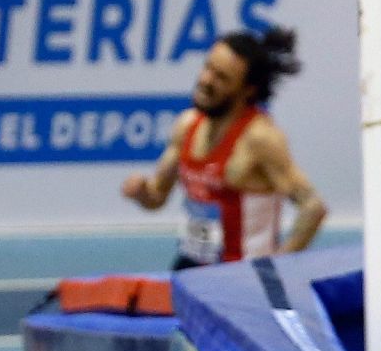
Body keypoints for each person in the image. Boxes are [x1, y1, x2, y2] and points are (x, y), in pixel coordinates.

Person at [121, 27, 327, 268]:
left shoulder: (260, 139)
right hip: (192, 268)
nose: (206, 81)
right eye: (208, 68)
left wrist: (280, 265)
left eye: (222, 77)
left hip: (241, 276)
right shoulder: (187, 126)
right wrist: (141, 191)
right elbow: (157, 197)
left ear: (248, 89)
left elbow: (312, 207)